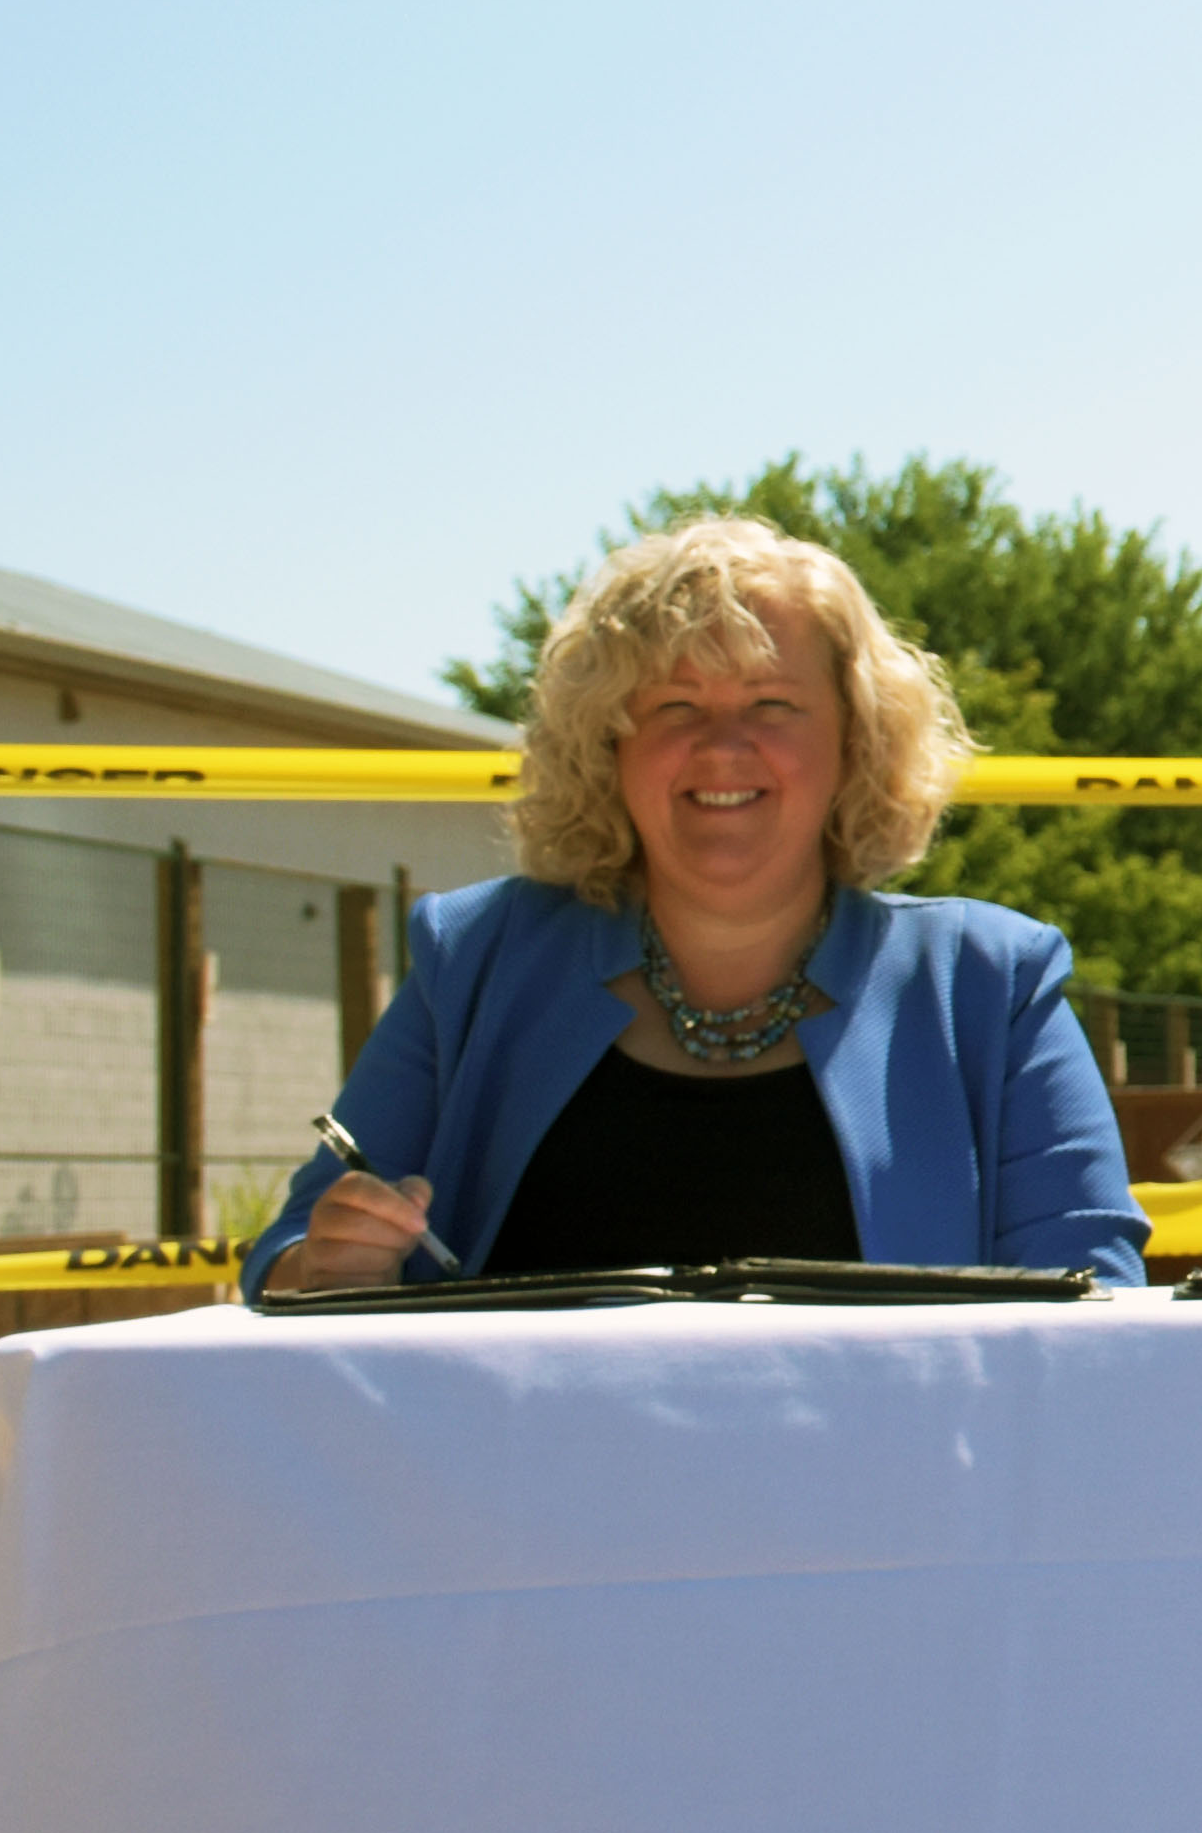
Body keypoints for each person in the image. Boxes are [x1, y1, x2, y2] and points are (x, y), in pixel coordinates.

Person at [250, 518, 1146, 1294]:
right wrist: (336, 1260)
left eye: (772, 703)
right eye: (675, 705)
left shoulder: (993, 985)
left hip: (887, 1489)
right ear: (608, 744)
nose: (723, 748)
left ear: (856, 741)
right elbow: (287, 1257)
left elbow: (1095, 1293)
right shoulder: (475, 955)